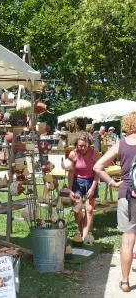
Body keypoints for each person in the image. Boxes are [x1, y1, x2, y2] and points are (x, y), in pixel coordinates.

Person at [94, 112, 136, 292]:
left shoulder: (121, 144)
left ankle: (125, 282)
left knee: (128, 239)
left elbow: (98, 167)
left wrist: (112, 183)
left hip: (126, 193)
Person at [68, 131, 101, 239]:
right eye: (80, 146)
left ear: (89, 143)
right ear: (76, 144)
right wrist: (69, 189)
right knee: (77, 207)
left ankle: (84, 237)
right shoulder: (73, 154)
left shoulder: (94, 153)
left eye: (85, 146)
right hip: (77, 181)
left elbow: (98, 172)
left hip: (91, 180)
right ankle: (81, 230)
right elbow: (71, 172)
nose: (82, 148)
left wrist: (93, 187)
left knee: (89, 209)